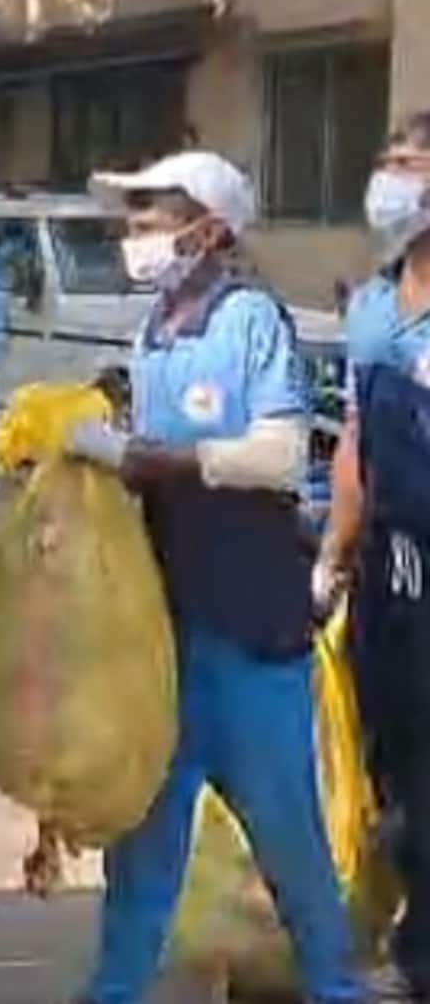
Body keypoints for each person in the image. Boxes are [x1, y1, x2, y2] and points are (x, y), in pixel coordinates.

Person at [64, 151, 360, 1004]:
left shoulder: (250, 321)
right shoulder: (154, 328)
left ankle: (333, 983)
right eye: (137, 218)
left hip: (252, 630)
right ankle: (112, 990)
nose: (140, 234)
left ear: (212, 228)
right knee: (142, 841)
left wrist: (150, 457)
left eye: (156, 216)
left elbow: (275, 454)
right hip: (166, 632)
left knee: (288, 838)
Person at [327, 112, 430, 1001]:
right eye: (387, 161)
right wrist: (332, 553)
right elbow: (356, 437)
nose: (392, 182)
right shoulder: (371, 304)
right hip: (389, 569)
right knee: (391, 756)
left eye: (412, 165)